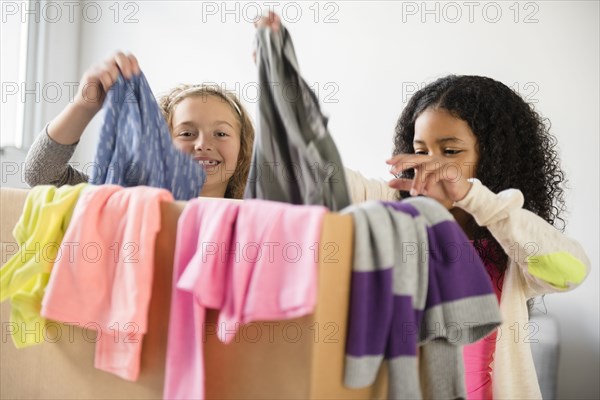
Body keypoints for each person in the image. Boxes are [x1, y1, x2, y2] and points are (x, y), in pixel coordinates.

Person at [255, 14, 589, 400]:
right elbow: (308, 173)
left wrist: (473, 196)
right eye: (420, 151)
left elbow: (572, 270)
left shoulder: (506, 237)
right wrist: (279, 77)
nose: (432, 163)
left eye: (450, 151)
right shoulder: (390, 210)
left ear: (495, 157)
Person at [24, 52, 254, 199]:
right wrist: (83, 106)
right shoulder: (125, 198)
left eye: (221, 133)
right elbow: (42, 175)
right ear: (163, 144)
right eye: (186, 133)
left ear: (243, 149)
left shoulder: (259, 214)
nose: (203, 145)